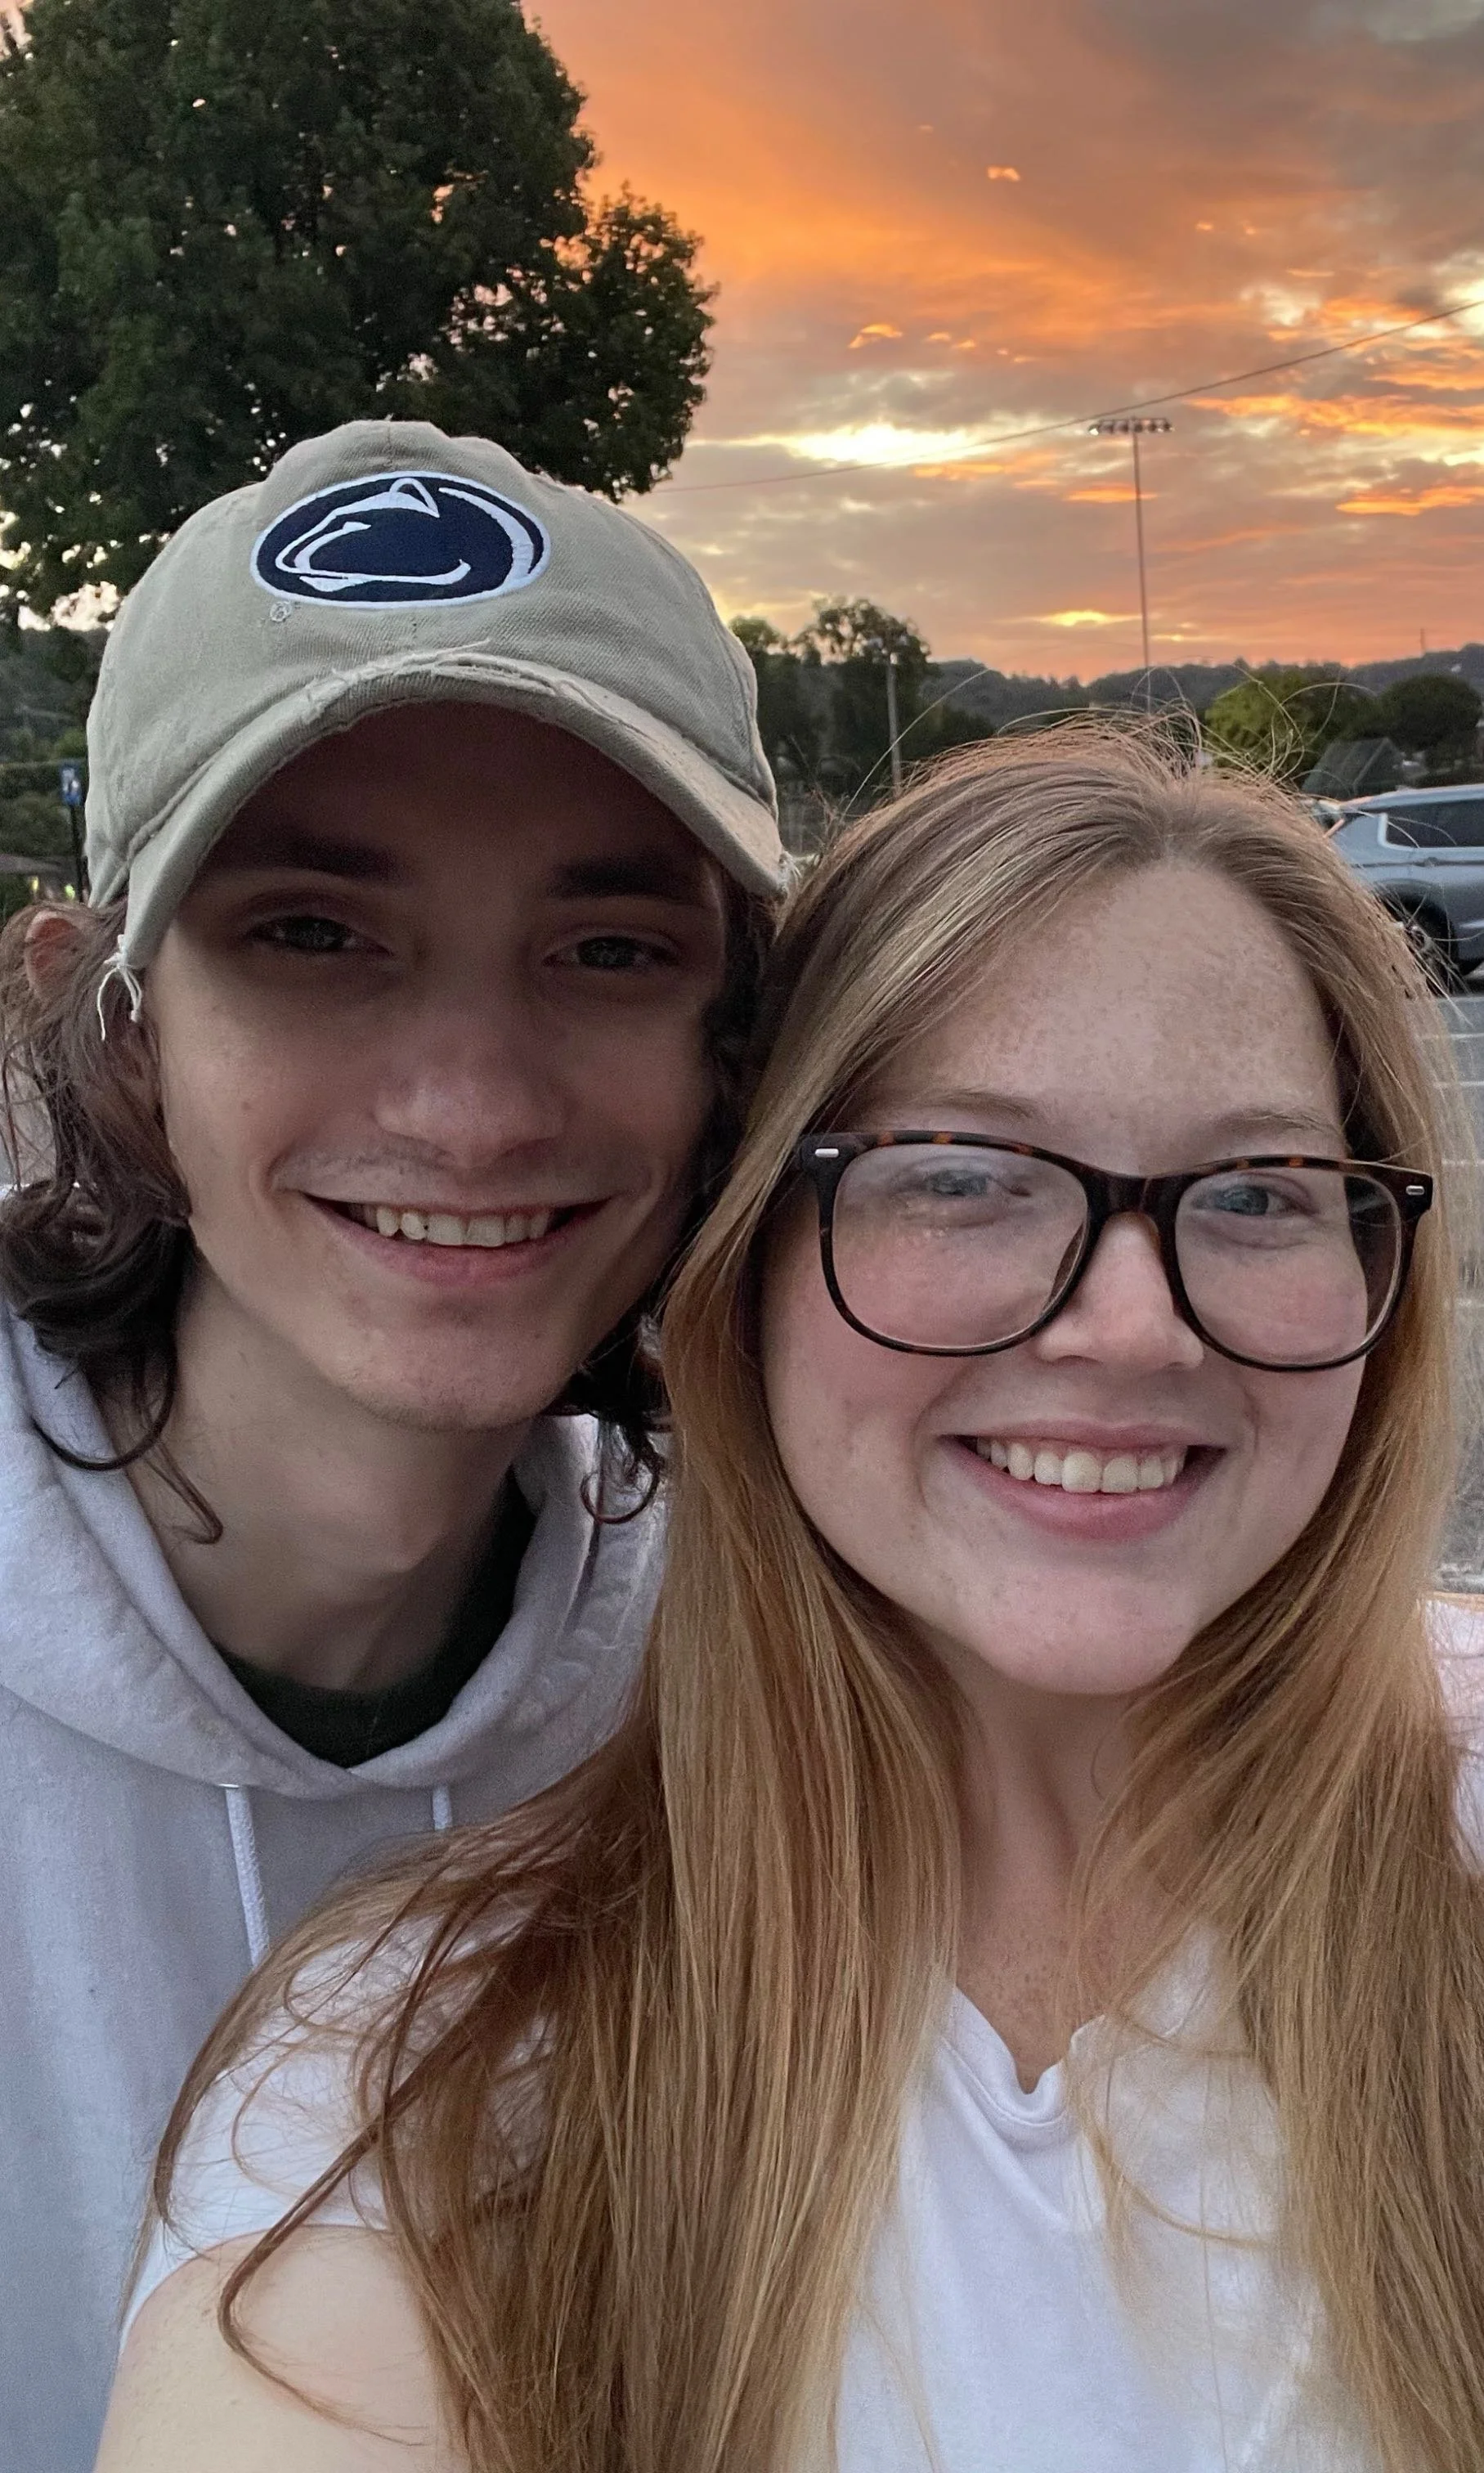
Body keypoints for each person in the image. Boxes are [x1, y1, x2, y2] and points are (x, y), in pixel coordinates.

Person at [98, 729, 1484, 2473]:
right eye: (962, 1172)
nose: (1134, 1326)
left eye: (1265, 1192)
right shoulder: (414, 2085)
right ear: (734, 1268)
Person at [0, 416, 783, 2471]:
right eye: (315, 937)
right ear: (117, 1022)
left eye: (607, 951)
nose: (470, 1106)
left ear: (734, 1051)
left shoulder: (771, 1667)